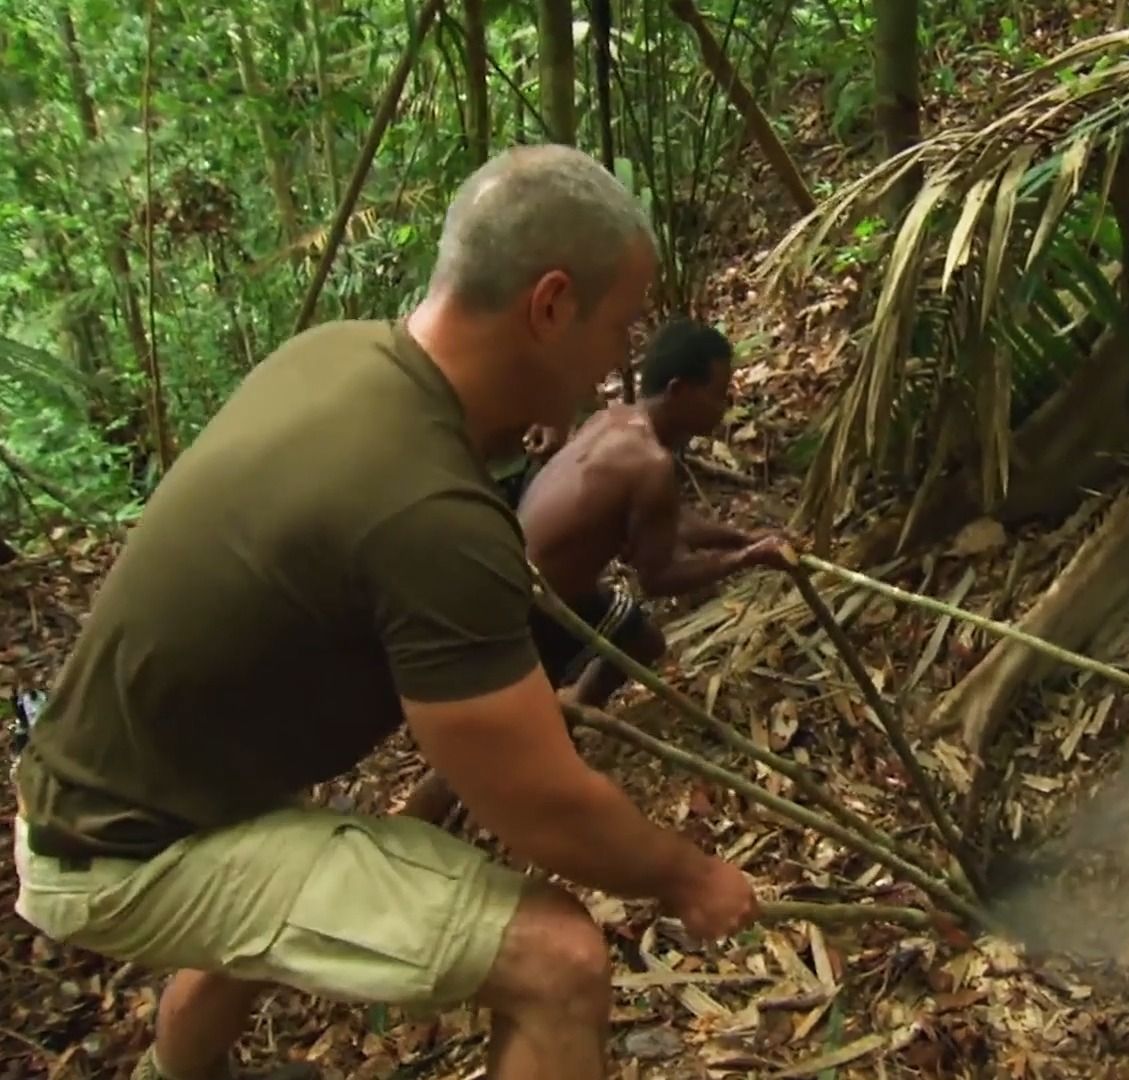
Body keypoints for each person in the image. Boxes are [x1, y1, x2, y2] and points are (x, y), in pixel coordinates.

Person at [9, 144, 759, 1080]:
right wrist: (690, 877)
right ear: (552, 305)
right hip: (123, 850)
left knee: (276, 852)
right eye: (619, 325)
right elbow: (541, 808)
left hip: (112, 795)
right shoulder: (429, 513)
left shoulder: (338, 352)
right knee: (557, 960)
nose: (621, 358)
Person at [397, 318, 789, 826]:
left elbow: (667, 521)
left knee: (641, 640)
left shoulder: (616, 421)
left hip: (524, 579)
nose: (725, 405)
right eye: (719, 393)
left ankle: (569, 715)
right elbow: (660, 576)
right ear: (679, 391)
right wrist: (747, 560)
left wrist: (738, 538)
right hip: (532, 607)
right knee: (481, 752)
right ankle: (409, 831)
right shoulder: (651, 465)